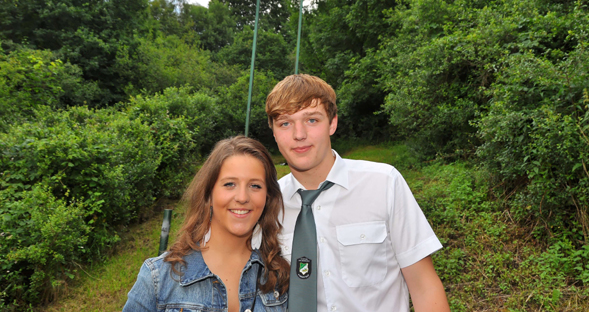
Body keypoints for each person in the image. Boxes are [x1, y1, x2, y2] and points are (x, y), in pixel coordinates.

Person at [265, 74, 450, 312]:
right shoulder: (266, 203)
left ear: (332, 123)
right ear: (274, 132)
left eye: (311, 120)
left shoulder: (384, 183)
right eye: (285, 123)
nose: (298, 134)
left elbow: (424, 287)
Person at [123, 136, 289, 312]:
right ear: (209, 195)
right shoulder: (158, 278)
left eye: (255, 186)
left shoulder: (279, 278)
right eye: (229, 184)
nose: (242, 197)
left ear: (267, 197)